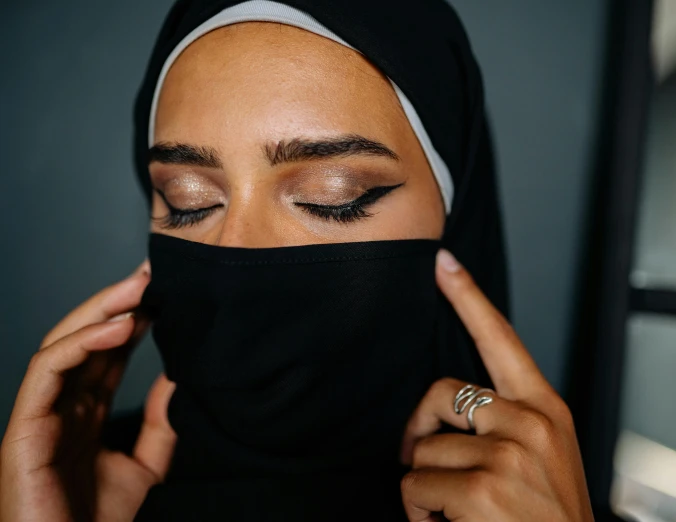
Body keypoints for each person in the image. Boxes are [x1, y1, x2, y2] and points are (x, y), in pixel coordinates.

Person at [0, 1, 593, 520]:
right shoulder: (69, 483)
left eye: (330, 198)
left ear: (454, 221)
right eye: (188, 202)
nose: (235, 250)